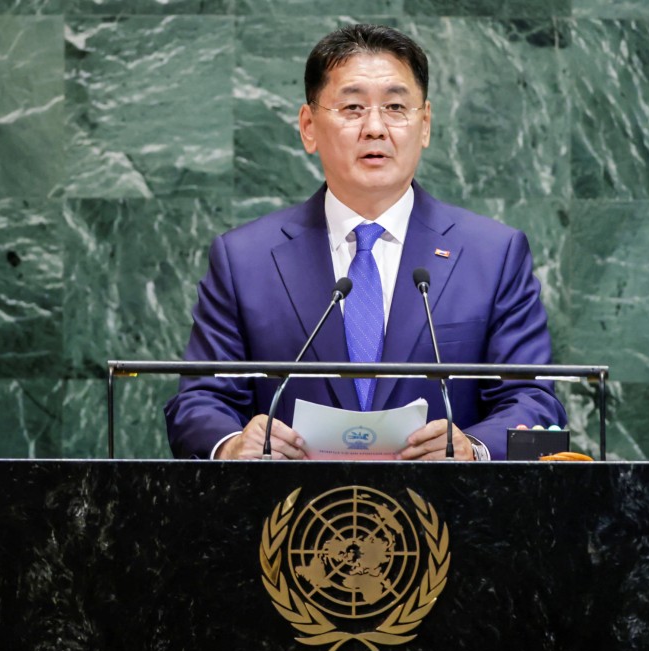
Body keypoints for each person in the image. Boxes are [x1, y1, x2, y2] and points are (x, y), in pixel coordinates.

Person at [164, 24, 566, 461]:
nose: (375, 128)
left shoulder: (493, 255)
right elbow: (199, 402)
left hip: (447, 503)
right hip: (292, 503)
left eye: (395, 107)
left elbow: (532, 400)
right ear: (308, 127)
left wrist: (474, 450)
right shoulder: (245, 260)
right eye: (352, 107)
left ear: (425, 125)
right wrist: (232, 445)